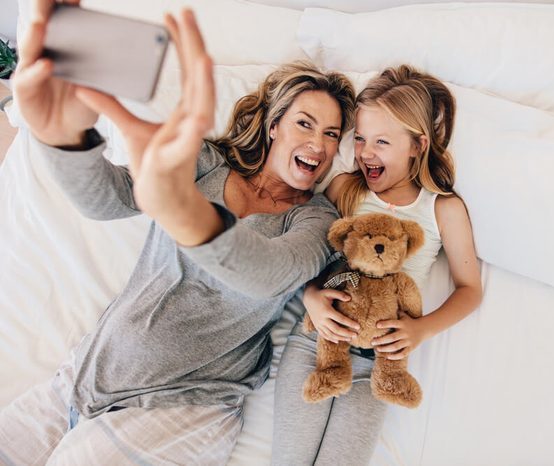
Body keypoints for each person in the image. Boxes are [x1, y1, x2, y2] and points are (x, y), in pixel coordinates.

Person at [0, 1, 355, 464]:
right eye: (305, 124)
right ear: (273, 127)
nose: (319, 144)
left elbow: (270, 274)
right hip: (79, 381)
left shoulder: (316, 220)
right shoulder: (205, 163)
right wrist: (64, 141)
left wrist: (184, 211)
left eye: (332, 134)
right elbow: (106, 199)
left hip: (184, 408)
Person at [272, 65, 483, 465]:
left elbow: (470, 289)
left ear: (417, 145)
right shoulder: (343, 189)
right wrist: (313, 297)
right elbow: (301, 255)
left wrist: (421, 329)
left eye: (382, 142)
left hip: (380, 362)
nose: (367, 152)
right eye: (362, 139)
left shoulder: (442, 209)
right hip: (315, 345)